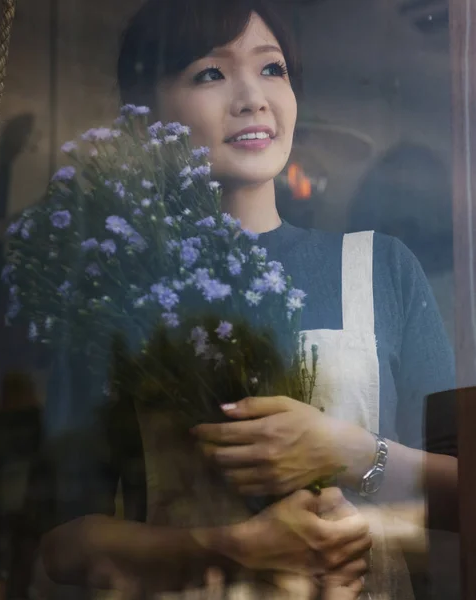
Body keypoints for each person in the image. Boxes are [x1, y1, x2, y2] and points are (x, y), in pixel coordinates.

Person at [36, 0, 455, 597]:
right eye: (210, 73)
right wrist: (235, 549)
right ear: (143, 119)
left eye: (272, 69)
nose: (253, 98)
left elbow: (462, 495)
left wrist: (348, 451)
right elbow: (61, 545)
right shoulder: (118, 290)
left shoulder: (381, 268)